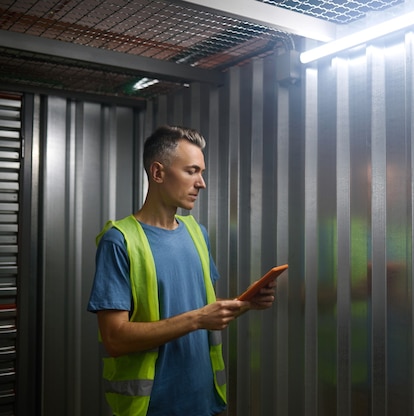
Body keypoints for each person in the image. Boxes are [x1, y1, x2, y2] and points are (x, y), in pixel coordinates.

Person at [87, 125, 276, 416]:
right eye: (191, 171)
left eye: (201, 172)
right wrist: (199, 318)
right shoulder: (120, 240)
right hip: (151, 408)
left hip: (203, 402)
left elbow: (205, 312)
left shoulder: (197, 233)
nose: (201, 183)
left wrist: (247, 303)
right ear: (158, 173)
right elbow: (115, 339)